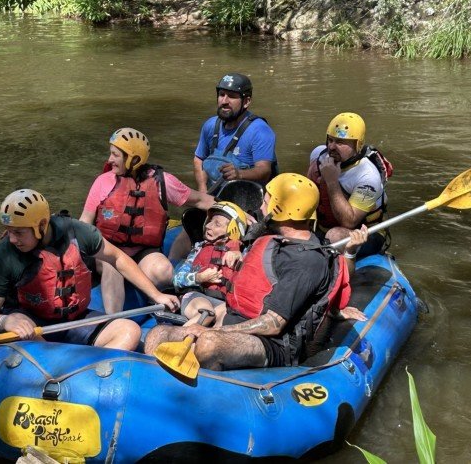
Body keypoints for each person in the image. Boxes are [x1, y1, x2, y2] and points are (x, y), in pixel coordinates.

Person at [144, 173, 368, 370]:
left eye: (267, 199)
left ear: (282, 207)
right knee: (158, 334)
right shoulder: (272, 239)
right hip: (234, 321)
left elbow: (273, 323)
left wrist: (218, 333)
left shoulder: (308, 261)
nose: (262, 205)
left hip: (274, 345)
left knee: (209, 344)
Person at [0, 188, 180, 351]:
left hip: (75, 321)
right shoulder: (4, 255)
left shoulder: (76, 232)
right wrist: (5, 320)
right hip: (31, 327)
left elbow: (118, 258)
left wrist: (156, 294)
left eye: (18, 232)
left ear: (41, 225)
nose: (12, 239)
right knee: (29, 337)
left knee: (129, 330)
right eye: (9, 232)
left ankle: (86, 376)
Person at [80, 128, 214, 313]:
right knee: (113, 265)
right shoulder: (103, 182)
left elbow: (200, 200)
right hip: (108, 251)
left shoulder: (162, 182)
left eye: (115, 155)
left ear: (134, 159)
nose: (109, 160)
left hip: (143, 251)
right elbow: (85, 222)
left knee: (163, 269)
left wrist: (233, 210)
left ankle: (166, 303)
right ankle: (114, 320)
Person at [306, 112, 391, 258]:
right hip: (323, 226)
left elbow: (349, 221)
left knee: (335, 236)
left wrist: (331, 181)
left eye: (340, 142)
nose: (331, 147)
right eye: (330, 140)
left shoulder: (367, 176)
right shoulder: (318, 154)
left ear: (357, 145)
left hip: (364, 233)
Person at [193, 73, 278, 194]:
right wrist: (202, 190)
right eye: (221, 95)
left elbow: (264, 171)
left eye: (232, 96)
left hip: (248, 199)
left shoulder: (261, 131)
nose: (224, 101)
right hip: (214, 197)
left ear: (246, 101)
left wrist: (239, 174)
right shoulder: (210, 125)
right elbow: (198, 159)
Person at [172, 201, 247, 326]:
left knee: (226, 317)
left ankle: (210, 343)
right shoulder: (198, 249)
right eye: (210, 221)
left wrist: (241, 258)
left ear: (233, 229)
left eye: (217, 224)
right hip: (196, 296)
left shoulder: (243, 254)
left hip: (224, 302)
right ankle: (179, 339)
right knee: (206, 314)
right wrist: (199, 277)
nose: (208, 226)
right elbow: (176, 279)